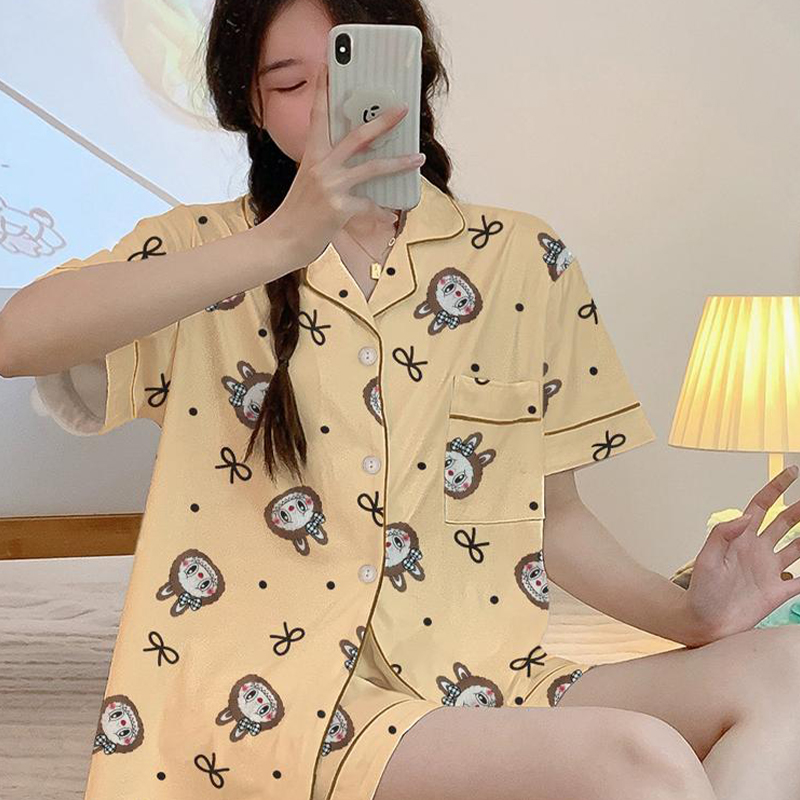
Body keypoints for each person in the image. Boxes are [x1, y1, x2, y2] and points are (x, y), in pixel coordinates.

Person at [3, 1, 800, 799]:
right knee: (637, 760)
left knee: (788, 673)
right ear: (252, 105)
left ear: (411, 76)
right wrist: (280, 242)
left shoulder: (522, 258)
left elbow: (552, 518)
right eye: (291, 84)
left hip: (484, 676)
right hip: (275, 703)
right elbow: (18, 338)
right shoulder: (204, 251)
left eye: (350, 73)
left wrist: (691, 618)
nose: (329, 108)